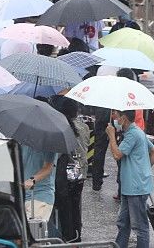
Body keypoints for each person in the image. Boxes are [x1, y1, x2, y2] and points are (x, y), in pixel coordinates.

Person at [108, 109, 154, 248]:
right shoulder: (137, 131)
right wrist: (145, 170)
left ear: (123, 118)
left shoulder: (132, 135)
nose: (114, 118)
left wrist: (111, 136)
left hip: (135, 188)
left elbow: (117, 154)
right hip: (130, 186)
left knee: (140, 226)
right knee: (123, 223)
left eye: (115, 115)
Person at [52, 97, 89, 242]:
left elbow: (59, 153)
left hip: (65, 175)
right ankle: (76, 236)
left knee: (65, 209)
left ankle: (68, 238)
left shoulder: (62, 128)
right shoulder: (84, 127)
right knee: (76, 207)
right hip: (81, 173)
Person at [21, 140, 57, 228]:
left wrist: (32, 180)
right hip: (22, 194)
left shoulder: (49, 141)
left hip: (40, 195)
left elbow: (48, 168)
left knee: (34, 232)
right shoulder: (21, 140)